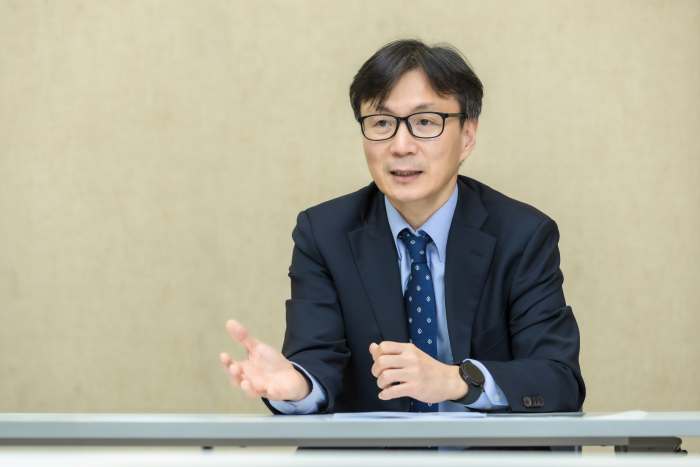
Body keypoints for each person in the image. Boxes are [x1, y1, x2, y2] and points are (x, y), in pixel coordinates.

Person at [219, 39, 585, 414]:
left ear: (467, 137)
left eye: (425, 122)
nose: (401, 145)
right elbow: (316, 361)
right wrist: (297, 387)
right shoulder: (324, 235)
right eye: (381, 123)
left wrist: (456, 380)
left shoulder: (522, 235)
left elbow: (558, 380)